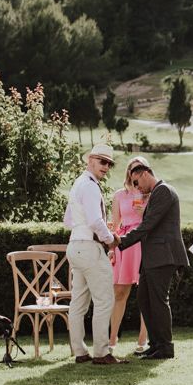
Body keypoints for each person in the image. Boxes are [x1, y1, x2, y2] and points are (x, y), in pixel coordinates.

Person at [118, 162, 189, 360]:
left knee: (158, 301)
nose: (136, 187)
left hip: (163, 256)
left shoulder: (163, 191)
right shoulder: (157, 193)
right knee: (144, 299)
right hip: (152, 257)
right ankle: (156, 344)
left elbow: (148, 225)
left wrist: (122, 241)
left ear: (146, 173)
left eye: (136, 181)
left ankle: (166, 347)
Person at [64, 143, 123, 365]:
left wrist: (98, 230)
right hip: (89, 248)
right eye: (102, 161)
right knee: (104, 300)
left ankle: (79, 351)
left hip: (75, 246)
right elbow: (95, 221)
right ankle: (101, 352)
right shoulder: (90, 186)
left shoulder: (78, 183)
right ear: (90, 159)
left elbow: (68, 221)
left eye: (109, 163)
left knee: (78, 303)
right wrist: (111, 239)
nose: (106, 167)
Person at [109, 157, 149, 354]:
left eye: (140, 170)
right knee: (119, 292)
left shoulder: (149, 195)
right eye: (133, 170)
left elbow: (153, 223)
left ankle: (143, 340)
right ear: (129, 173)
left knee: (145, 294)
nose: (137, 174)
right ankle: (112, 339)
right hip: (124, 245)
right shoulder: (119, 195)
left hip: (142, 244)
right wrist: (111, 249)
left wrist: (144, 213)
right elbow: (115, 226)